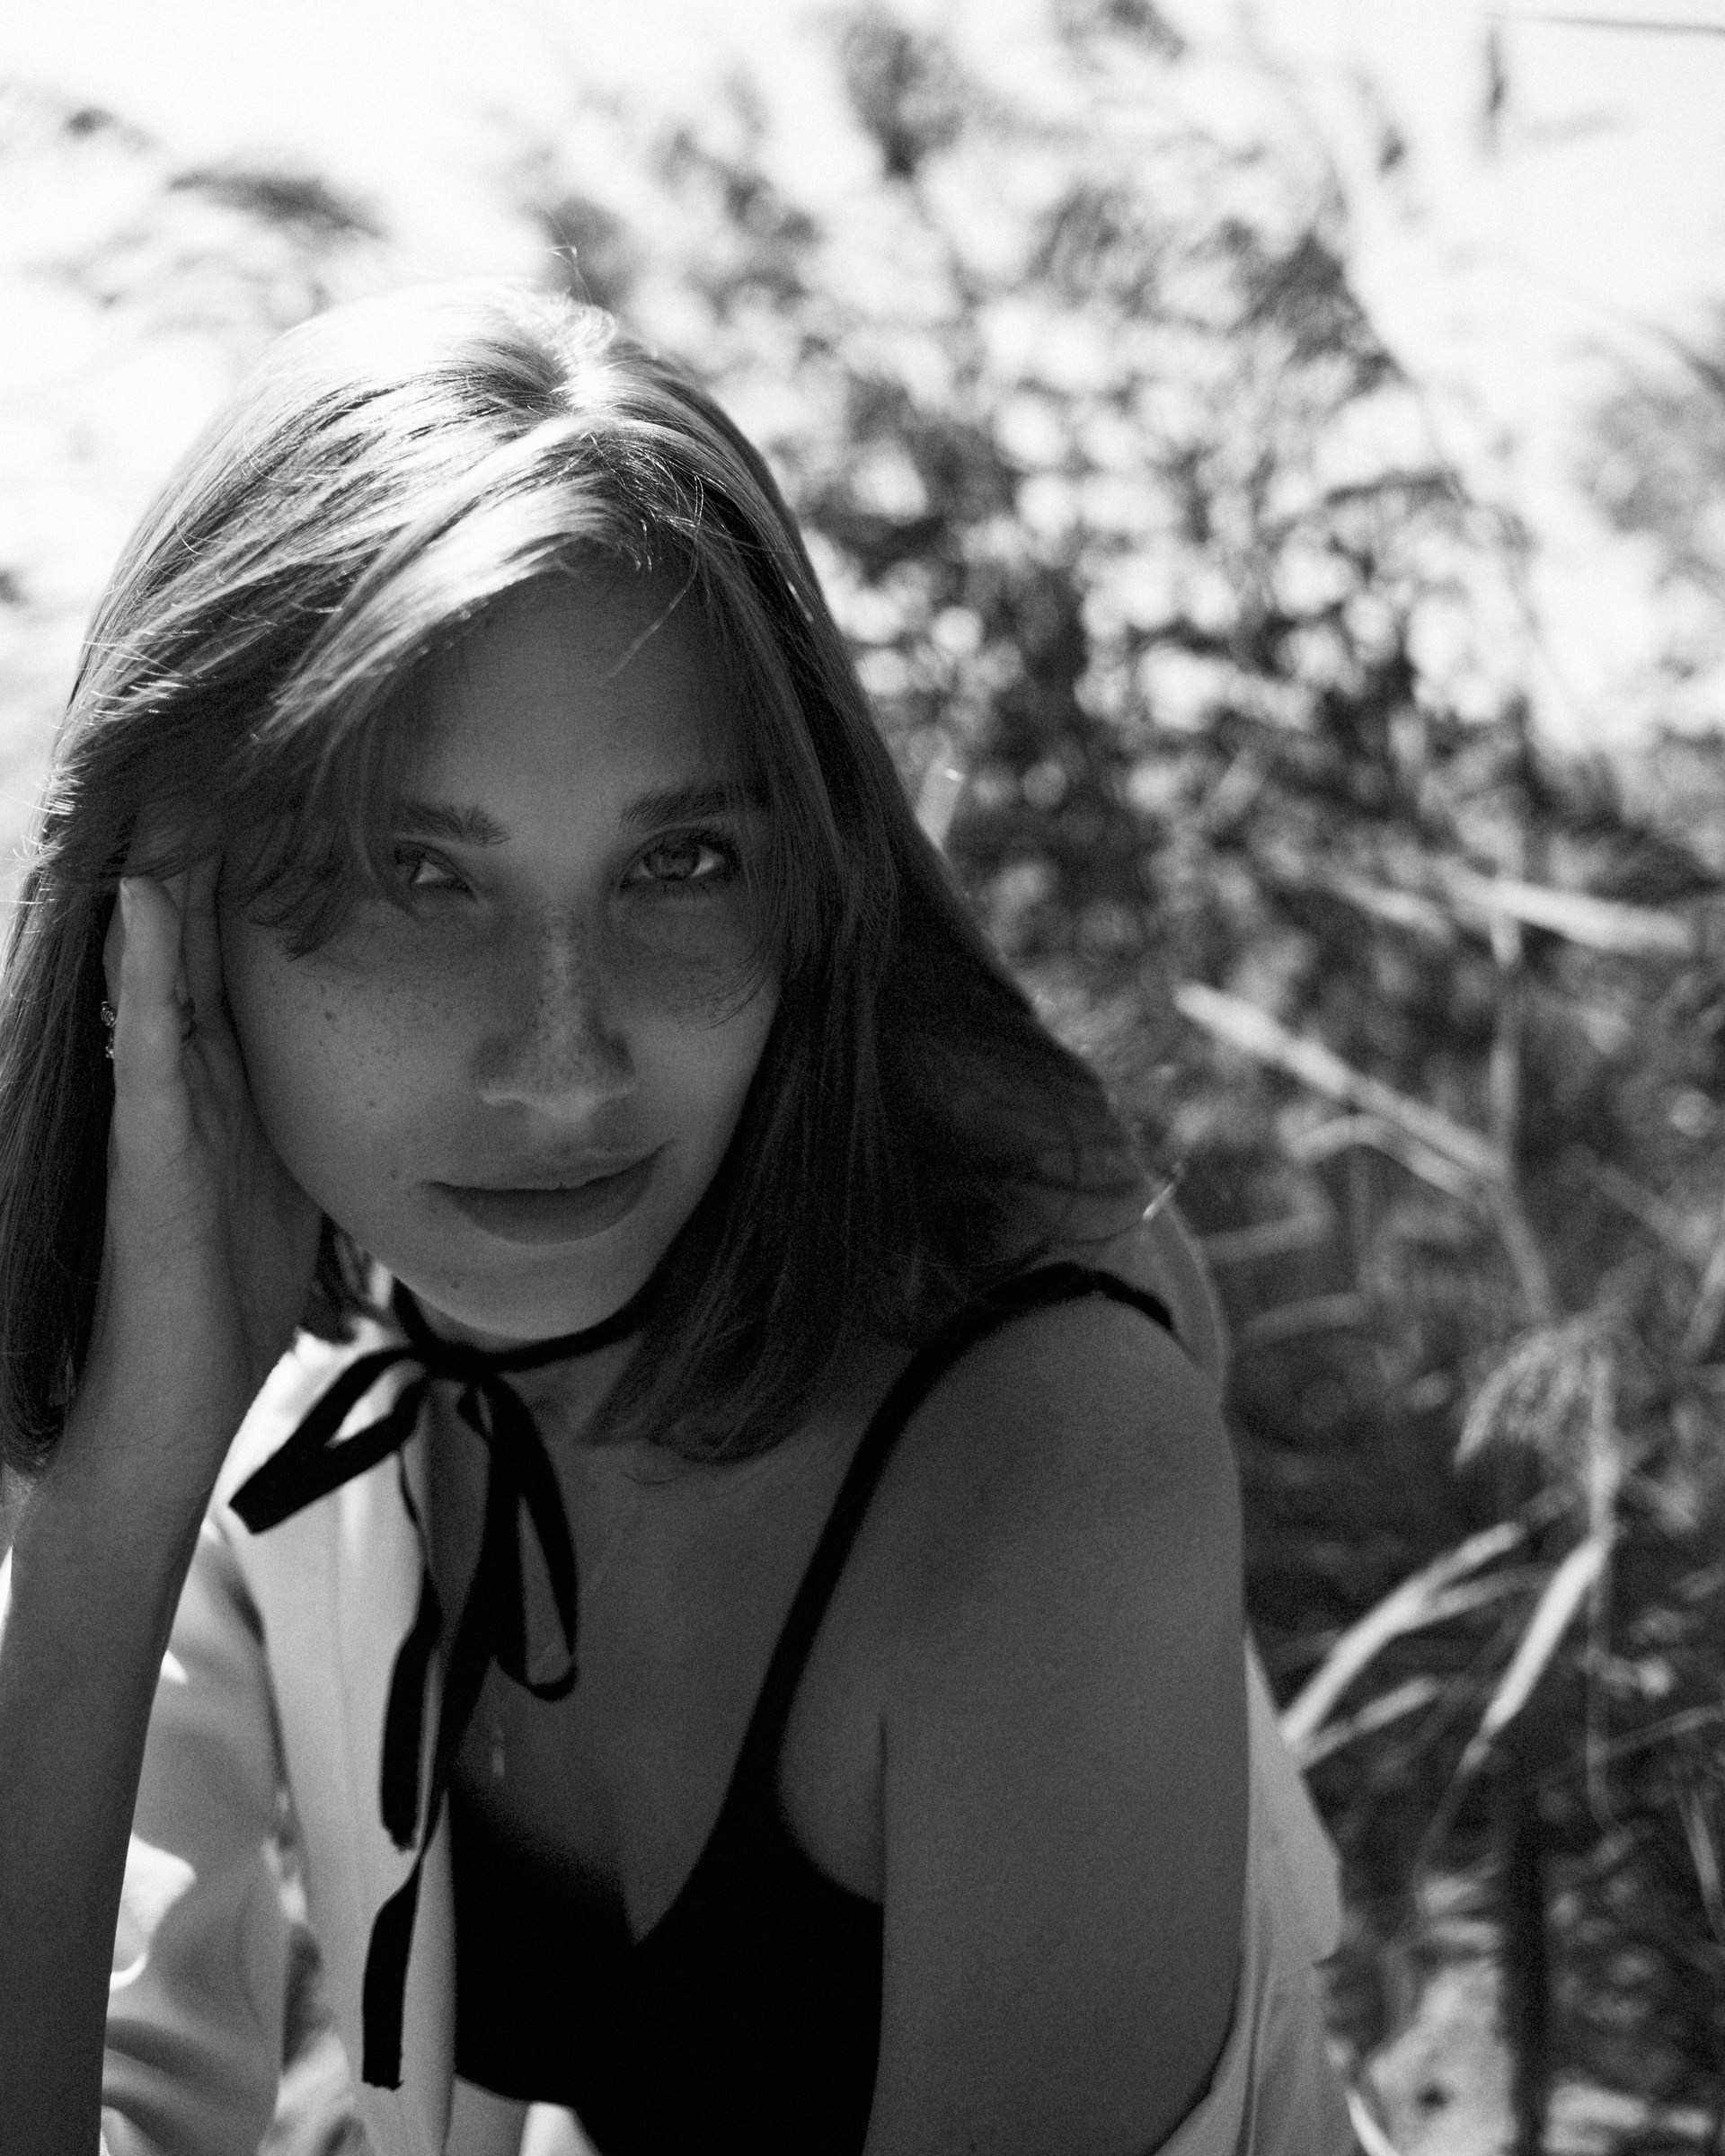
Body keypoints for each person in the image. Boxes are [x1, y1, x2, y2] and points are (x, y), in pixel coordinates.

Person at [0, 283, 1353, 2156]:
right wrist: (109, 1513)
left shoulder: (1040, 1466)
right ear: (164, 922)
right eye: (415, 874)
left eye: (680, 861)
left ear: (812, 889)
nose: (566, 1068)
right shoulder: (285, 1450)